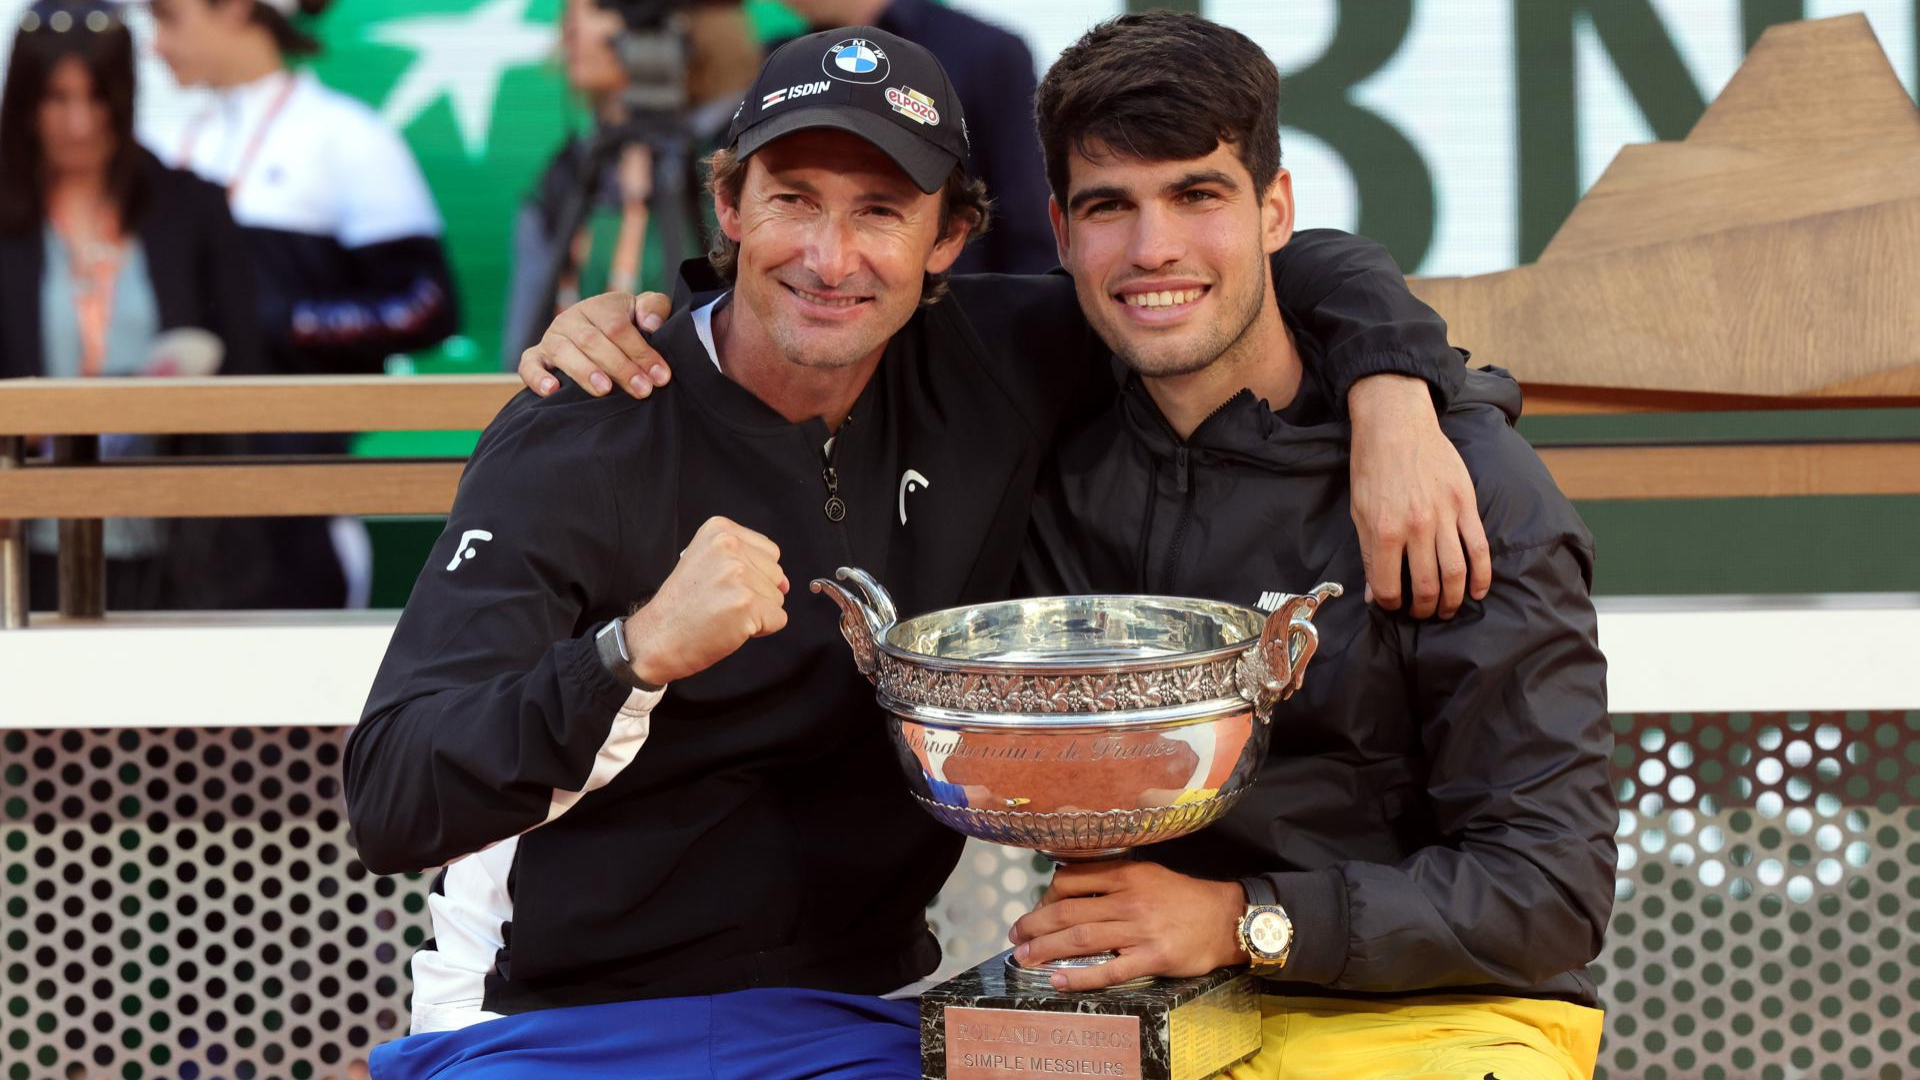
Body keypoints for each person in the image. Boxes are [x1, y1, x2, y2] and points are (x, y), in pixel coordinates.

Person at [350, 25, 1478, 1080]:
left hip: (868, 1011)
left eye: (881, 211)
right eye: (793, 199)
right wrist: (630, 654)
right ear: (728, 204)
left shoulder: (998, 355)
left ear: (949, 236)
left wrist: (1392, 392)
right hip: (563, 1020)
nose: (831, 257)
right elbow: (394, 796)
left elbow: (1244, 271)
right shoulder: (588, 420)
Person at [1005, 15, 1616, 1080]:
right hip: (1138, 1009)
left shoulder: (1457, 483)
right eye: (1111, 206)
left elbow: (1548, 892)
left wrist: (1244, 920)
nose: (1153, 249)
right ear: (1061, 232)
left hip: (1440, 1018)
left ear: (1274, 209)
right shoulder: (1030, 431)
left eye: (1198, 195)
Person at [148, 0, 461, 608]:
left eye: (167, 18)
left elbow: (428, 305)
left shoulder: (348, 137)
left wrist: (279, 323)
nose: (153, 44)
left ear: (237, 10)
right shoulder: (158, 145)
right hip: (161, 503)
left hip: (297, 507)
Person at [0, 0, 263, 611]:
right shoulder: (7, 222)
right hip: (27, 543)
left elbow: (249, 375)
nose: (79, 124)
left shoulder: (191, 209)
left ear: (125, 97)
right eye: (55, 99)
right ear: (23, 102)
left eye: (97, 98)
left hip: (181, 547)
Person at [500, 0, 764, 366]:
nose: (570, 27)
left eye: (599, 7)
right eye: (569, 10)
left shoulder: (731, 155)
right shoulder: (569, 172)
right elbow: (521, 348)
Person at [775, 0, 1054, 275]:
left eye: (881, 210)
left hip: (953, 303)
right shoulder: (779, 58)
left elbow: (1029, 225)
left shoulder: (986, 51)